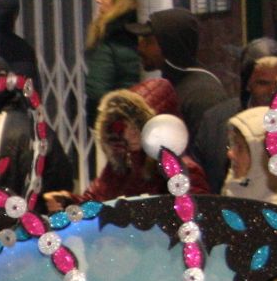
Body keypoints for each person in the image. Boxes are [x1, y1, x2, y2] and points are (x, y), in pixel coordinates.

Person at [45, 81, 205, 210]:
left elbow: (197, 219)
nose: (130, 133)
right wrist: (68, 203)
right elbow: (97, 202)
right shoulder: (120, 166)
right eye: (124, 125)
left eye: (140, 126)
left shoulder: (183, 171)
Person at [129, 7, 227, 190]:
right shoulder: (172, 84)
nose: (140, 47)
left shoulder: (203, 94)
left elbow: (210, 159)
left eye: (148, 41)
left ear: (169, 46)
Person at [83, 0, 142, 124]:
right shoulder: (142, 35)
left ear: (120, 3)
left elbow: (96, 90)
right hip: (141, 117)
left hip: (114, 124)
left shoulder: (111, 38)